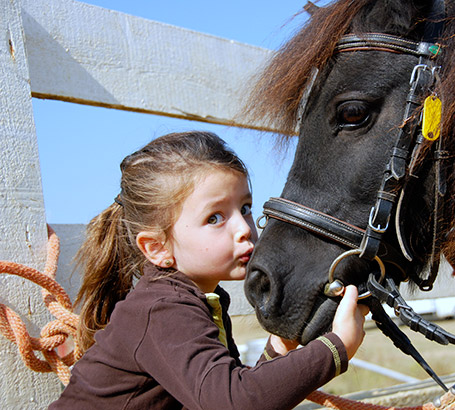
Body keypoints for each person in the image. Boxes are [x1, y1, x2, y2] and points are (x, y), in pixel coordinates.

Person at [49, 131, 368, 410]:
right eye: (214, 218)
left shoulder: (196, 299)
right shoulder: (162, 310)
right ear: (157, 248)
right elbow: (235, 402)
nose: (244, 228)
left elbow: (218, 394)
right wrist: (336, 348)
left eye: (244, 208)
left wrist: (278, 349)